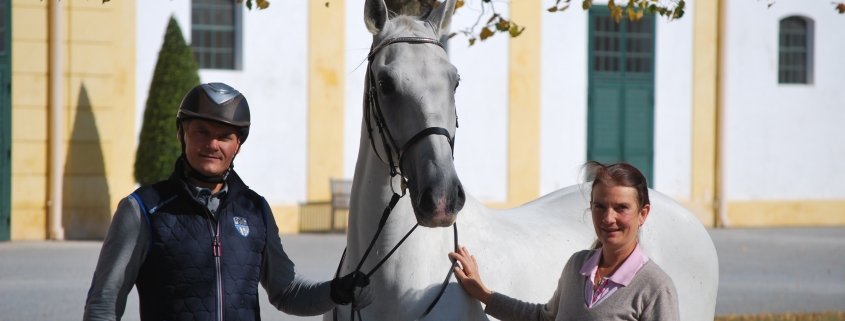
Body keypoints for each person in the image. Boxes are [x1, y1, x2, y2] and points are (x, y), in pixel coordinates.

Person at [83, 83, 373, 321]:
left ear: (238, 145)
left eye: (224, 137)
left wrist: (336, 291)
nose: (213, 145)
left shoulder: (255, 209)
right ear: (181, 133)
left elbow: (287, 291)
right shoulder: (143, 209)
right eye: (202, 132)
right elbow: (103, 305)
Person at [449, 162, 680, 320]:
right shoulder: (577, 266)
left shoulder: (656, 288)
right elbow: (544, 318)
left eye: (622, 208)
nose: (609, 218)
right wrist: (483, 294)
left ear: (643, 213)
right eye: (600, 206)